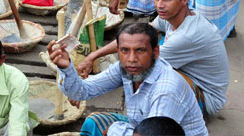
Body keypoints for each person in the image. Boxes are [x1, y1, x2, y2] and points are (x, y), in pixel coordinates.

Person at [78, 0, 229, 117]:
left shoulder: (187, 35)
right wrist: (94, 55)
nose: (160, 5)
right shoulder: (174, 14)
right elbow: (135, 36)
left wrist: (84, 88)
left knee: (144, 70)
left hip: (206, 98)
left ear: (185, 0)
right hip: (190, 77)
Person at [48, 23, 208, 136]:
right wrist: (66, 68)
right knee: (94, 122)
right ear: (118, 50)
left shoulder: (166, 91)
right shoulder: (124, 68)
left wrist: (114, 129)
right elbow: (81, 91)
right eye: (125, 50)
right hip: (139, 126)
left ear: (155, 52)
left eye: (140, 50)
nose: (131, 59)